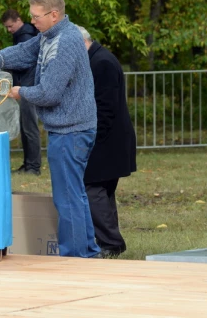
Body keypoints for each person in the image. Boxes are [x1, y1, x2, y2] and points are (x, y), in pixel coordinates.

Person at [0, 0, 101, 258]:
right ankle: (88, 251)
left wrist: (16, 91)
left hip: (72, 130)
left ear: (53, 15)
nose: (32, 21)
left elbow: (49, 93)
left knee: (66, 198)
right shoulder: (48, 36)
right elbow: (23, 51)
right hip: (67, 128)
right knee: (74, 194)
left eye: (36, 16)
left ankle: (75, 257)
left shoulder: (66, 41)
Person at [78, 26, 137, 258]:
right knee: (102, 190)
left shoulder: (101, 63)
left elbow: (105, 107)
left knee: (92, 188)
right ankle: (109, 241)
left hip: (106, 140)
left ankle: (111, 243)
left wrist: (92, 139)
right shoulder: (100, 59)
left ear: (81, 42)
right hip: (110, 139)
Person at [1, 9, 41, 176]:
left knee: (29, 127)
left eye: (10, 26)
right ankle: (28, 164)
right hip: (26, 85)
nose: (9, 29)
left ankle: (33, 166)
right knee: (26, 127)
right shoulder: (24, 35)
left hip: (29, 86)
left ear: (18, 21)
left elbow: (24, 62)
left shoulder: (25, 36)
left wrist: (5, 65)